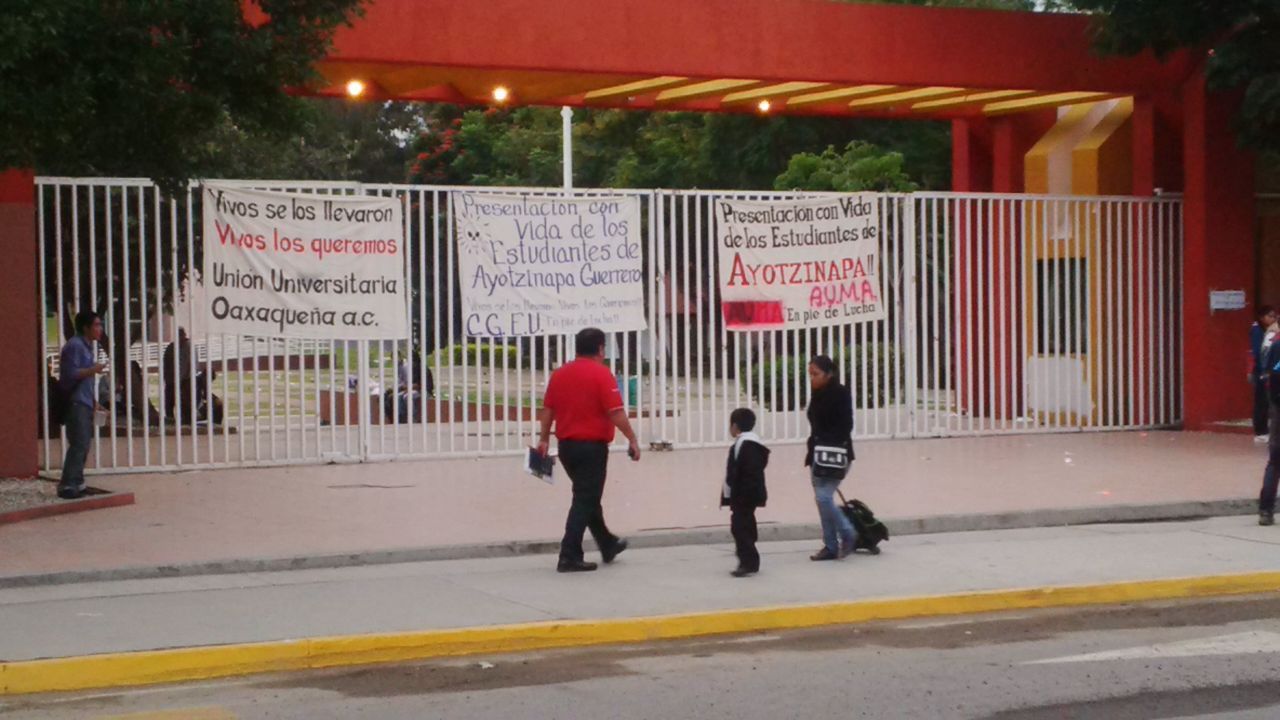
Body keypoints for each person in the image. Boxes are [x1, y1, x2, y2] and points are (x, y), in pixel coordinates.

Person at [538, 328, 641, 573]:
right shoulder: (602, 375)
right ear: (600, 348)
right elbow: (615, 412)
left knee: (587, 496)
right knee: (584, 499)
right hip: (592, 449)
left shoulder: (560, 374)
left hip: (567, 448)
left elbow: (548, 410)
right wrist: (632, 439)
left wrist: (543, 439)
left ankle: (607, 543)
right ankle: (569, 554)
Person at [804, 355, 857, 561]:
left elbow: (846, 426)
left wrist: (826, 442)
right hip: (817, 455)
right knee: (821, 501)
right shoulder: (817, 393)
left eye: (816, 374)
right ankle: (830, 546)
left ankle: (848, 532)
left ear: (829, 374)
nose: (812, 379)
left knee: (824, 497)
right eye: (810, 374)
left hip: (836, 455)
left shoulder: (840, 393)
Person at [57, 311, 107, 499]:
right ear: (86, 327)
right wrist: (93, 370)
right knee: (79, 443)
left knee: (84, 443)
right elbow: (70, 375)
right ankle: (68, 484)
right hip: (75, 402)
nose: (99, 329)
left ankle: (78, 481)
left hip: (85, 401)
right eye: (96, 325)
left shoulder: (87, 347)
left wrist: (95, 403)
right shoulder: (75, 346)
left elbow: (85, 380)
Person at [722, 408, 769, 578]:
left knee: (740, 527)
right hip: (749, 494)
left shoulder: (744, 445)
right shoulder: (753, 444)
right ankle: (749, 561)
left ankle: (748, 562)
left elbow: (738, 472)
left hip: (743, 495)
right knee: (746, 525)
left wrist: (733, 494)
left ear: (734, 426)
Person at [1249, 306, 1279, 442]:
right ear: (1262, 317)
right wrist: (1264, 371)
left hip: (1267, 372)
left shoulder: (1269, 332)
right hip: (1263, 372)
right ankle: (1260, 431)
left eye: (1274, 316)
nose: (1273, 319)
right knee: (1261, 401)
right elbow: (1259, 353)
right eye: (1270, 316)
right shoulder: (1259, 331)